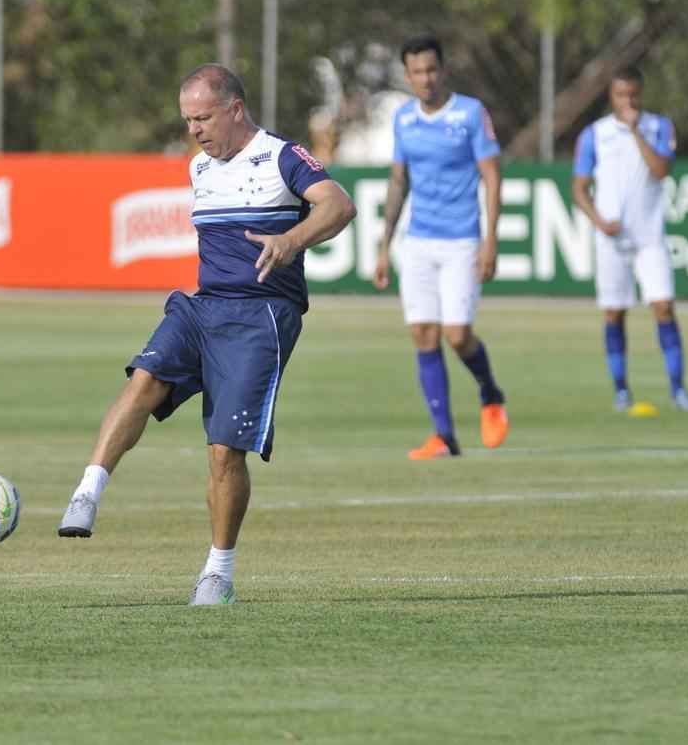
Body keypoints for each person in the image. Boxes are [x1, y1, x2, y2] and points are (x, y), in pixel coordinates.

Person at [57, 63, 356, 605]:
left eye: (203, 117)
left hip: (261, 316)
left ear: (235, 109)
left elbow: (338, 204)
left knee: (223, 453)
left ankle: (218, 572)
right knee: (144, 377)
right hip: (203, 309)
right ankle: (87, 492)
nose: (195, 129)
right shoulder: (199, 167)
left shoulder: (282, 157)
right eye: (188, 119)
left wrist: (290, 240)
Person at [372, 35, 509, 460]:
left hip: (462, 240)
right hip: (418, 242)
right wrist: (384, 245)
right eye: (417, 72)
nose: (425, 79)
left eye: (431, 70)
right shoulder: (404, 120)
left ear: (442, 69)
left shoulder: (469, 113)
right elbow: (399, 181)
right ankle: (444, 436)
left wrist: (491, 239)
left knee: (457, 334)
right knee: (422, 334)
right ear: (408, 76)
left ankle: (490, 392)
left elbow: (491, 175)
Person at [571, 66, 688, 413]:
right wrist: (599, 220)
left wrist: (636, 134)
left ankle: (677, 390)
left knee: (663, 306)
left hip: (649, 236)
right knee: (614, 313)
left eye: (633, 94)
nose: (627, 101)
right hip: (612, 239)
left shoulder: (658, 127)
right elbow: (579, 188)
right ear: (610, 96)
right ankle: (620, 389)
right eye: (620, 95)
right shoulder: (593, 135)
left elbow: (661, 171)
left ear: (640, 93)